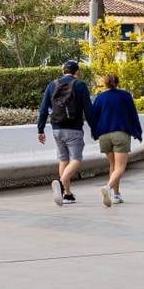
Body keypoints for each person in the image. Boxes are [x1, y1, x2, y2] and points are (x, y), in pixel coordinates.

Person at [37, 60, 95, 207]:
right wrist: (94, 128)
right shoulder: (80, 85)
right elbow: (88, 109)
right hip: (73, 129)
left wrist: (40, 130)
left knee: (63, 160)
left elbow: (43, 109)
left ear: (63, 71)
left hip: (56, 129)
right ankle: (61, 184)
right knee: (76, 160)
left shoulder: (52, 85)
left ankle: (67, 195)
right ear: (77, 72)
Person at [90, 73, 142, 207]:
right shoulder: (125, 96)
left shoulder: (100, 98)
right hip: (120, 134)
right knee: (120, 167)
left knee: (113, 165)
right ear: (117, 82)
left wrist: (95, 134)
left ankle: (116, 195)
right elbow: (133, 115)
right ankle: (107, 188)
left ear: (105, 83)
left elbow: (94, 117)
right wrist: (138, 132)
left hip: (104, 135)